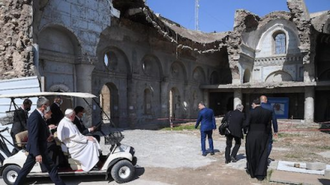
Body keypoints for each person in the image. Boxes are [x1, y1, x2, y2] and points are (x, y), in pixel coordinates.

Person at [14, 97, 66, 185]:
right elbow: (33, 136)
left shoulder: (39, 116)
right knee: (28, 170)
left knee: (27, 170)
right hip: (37, 149)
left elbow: (40, 131)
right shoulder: (35, 117)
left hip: (39, 148)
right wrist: (37, 153)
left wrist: (47, 137)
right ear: (43, 106)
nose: (49, 107)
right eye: (48, 105)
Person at [244, 98, 272, 181]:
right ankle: (260, 174)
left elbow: (246, 124)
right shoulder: (267, 112)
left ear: (254, 104)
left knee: (251, 152)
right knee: (263, 153)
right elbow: (268, 126)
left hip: (252, 134)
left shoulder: (250, 112)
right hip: (263, 135)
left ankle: (252, 172)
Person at [260, 95, 278, 159]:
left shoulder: (257, 108)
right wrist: (275, 130)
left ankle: (260, 156)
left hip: (258, 128)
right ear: (266, 100)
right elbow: (274, 120)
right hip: (267, 128)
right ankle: (266, 156)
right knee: (269, 142)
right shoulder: (270, 108)